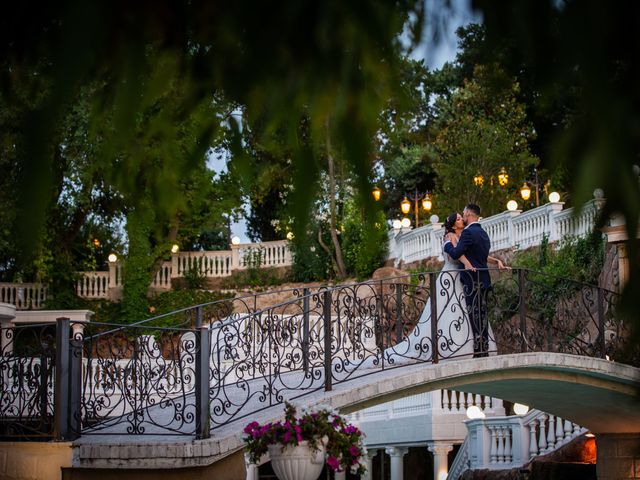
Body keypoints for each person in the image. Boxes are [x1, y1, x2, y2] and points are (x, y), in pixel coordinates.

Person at [443, 203, 496, 357]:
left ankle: (479, 350)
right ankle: (483, 348)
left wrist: (447, 245)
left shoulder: (466, 234)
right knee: (482, 314)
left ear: (468, 215)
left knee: (474, 314)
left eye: (463, 215)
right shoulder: (484, 233)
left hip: (472, 281)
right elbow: (479, 255)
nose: (463, 217)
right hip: (483, 279)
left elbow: (455, 253)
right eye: (459, 217)